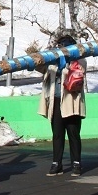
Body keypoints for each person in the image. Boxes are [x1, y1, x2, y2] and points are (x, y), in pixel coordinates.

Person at [38, 35, 87, 177]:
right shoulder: (53, 61)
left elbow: (78, 72)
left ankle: (76, 163)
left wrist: (64, 64)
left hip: (71, 102)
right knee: (57, 134)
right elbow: (40, 67)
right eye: (59, 46)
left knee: (73, 133)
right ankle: (56, 163)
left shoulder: (79, 60)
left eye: (63, 46)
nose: (60, 49)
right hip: (56, 101)